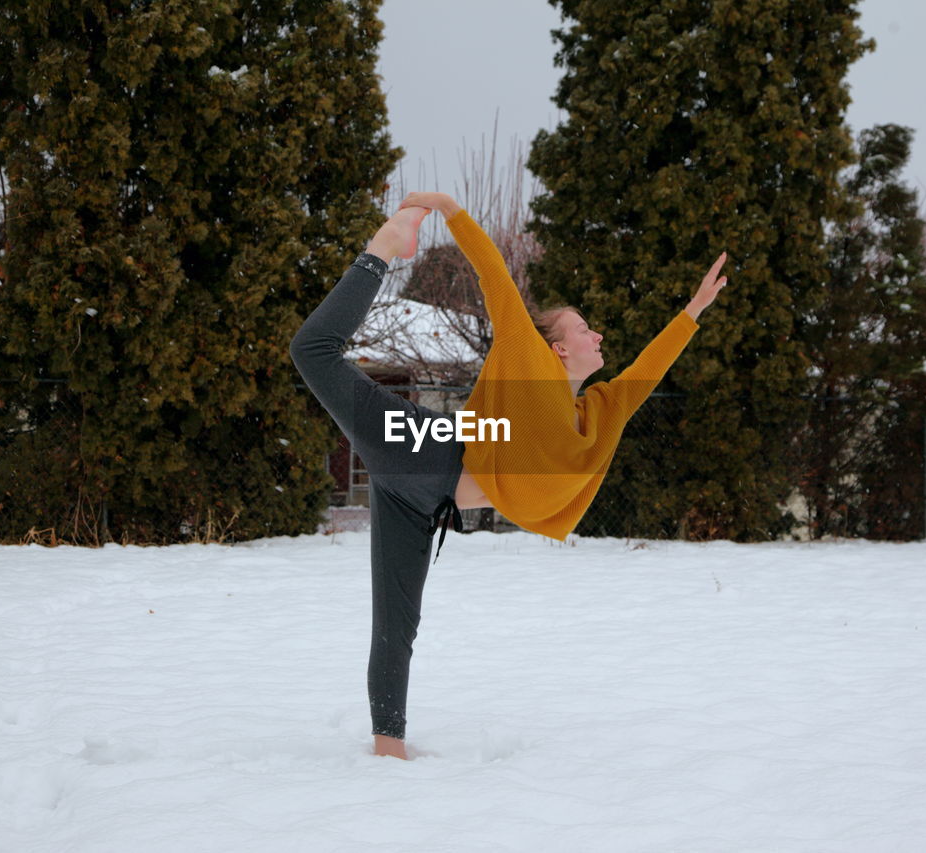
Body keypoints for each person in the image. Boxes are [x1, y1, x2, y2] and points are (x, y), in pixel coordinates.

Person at [289, 192, 726, 759]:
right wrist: (452, 211)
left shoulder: (598, 414)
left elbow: (648, 369)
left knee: (398, 623)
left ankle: (387, 752)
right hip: (425, 448)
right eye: (584, 328)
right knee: (313, 351)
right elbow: (497, 280)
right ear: (558, 349)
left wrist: (692, 312)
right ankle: (383, 249)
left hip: (426, 503)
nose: (598, 337)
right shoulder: (532, 366)